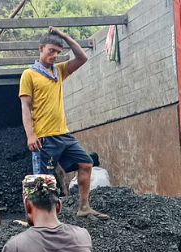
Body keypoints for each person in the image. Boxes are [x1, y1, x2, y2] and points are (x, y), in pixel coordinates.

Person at [19, 27, 109, 220]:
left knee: (86, 163)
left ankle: (84, 207)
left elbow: (82, 57)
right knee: (45, 183)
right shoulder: (29, 74)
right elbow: (25, 106)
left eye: (58, 52)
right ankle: (41, 221)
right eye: (51, 50)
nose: (55, 55)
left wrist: (64, 36)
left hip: (63, 134)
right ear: (41, 48)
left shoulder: (58, 71)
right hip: (44, 138)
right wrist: (30, 135)